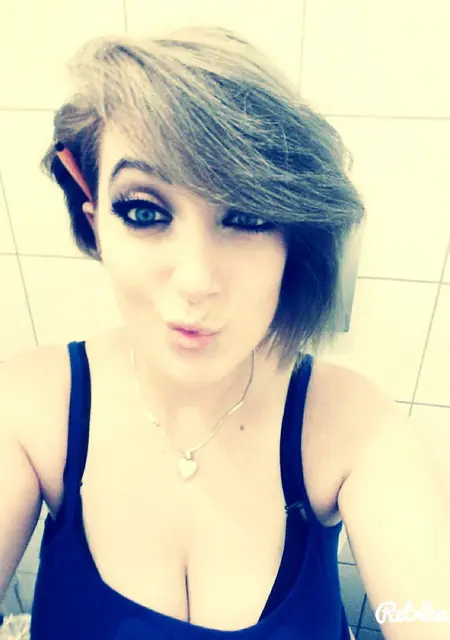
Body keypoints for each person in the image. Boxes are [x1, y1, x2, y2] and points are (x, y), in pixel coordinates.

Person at [1, 25, 449, 640]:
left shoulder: (350, 425)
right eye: (144, 211)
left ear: (294, 238)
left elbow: (429, 613)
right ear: (96, 224)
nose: (197, 280)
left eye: (247, 217)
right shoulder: (31, 405)